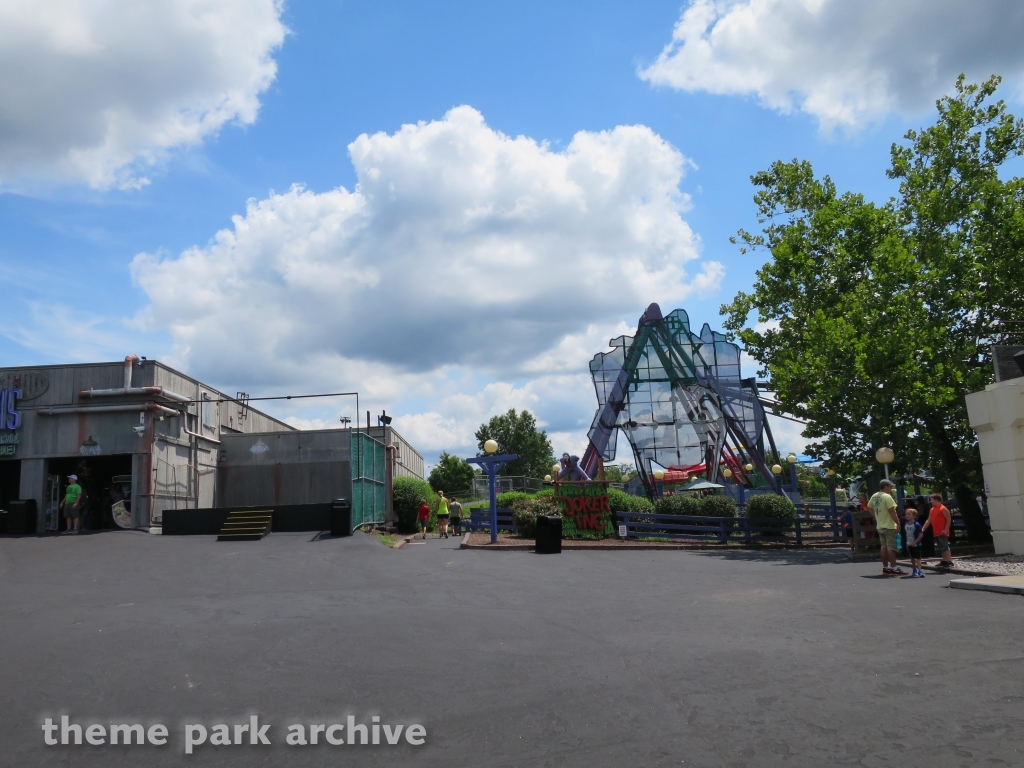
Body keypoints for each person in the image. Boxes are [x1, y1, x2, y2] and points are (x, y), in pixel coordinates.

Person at [868, 479, 903, 576]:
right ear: (886, 486)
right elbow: (892, 511)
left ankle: (885, 567)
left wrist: (876, 516)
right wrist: (898, 523)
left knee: (883, 547)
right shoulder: (887, 497)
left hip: (880, 525)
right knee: (891, 547)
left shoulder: (874, 496)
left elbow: (869, 507)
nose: (891, 489)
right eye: (890, 487)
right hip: (889, 525)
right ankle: (894, 567)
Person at [921, 492, 954, 569]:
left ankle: (949, 561)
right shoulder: (932, 509)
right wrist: (923, 528)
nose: (931, 501)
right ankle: (944, 560)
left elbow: (948, 519)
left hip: (942, 531)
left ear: (936, 500)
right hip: (936, 531)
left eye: (932, 500)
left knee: (945, 546)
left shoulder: (943, 509)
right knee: (941, 547)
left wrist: (946, 529)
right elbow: (928, 520)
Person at [904, 507, 925, 578]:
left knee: (918, 557)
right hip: (909, 543)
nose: (907, 515)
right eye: (906, 514)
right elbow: (907, 533)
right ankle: (914, 568)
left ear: (914, 516)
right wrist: (908, 542)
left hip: (916, 544)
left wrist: (915, 541)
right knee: (912, 557)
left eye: (909, 514)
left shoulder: (917, 524)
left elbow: (921, 534)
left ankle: (920, 570)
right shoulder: (906, 524)